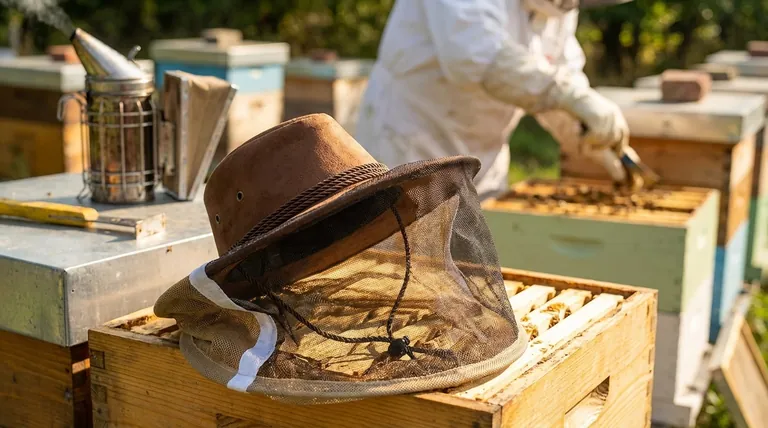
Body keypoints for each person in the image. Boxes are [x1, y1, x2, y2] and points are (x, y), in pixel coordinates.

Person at [356, 0, 633, 200]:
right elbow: (474, 53)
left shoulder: (560, 10)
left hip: (485, 160)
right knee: (405, 255)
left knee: (480, 255)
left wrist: (585, 134)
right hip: (414, 143)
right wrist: (567, 93)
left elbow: (552, 75)